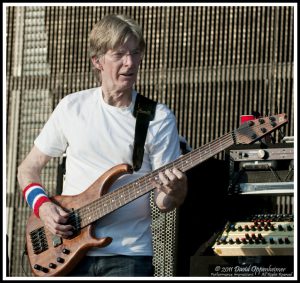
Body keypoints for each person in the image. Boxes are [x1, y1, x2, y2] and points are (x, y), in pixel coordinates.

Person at [17, 14, 188, 277]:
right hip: (64, 250)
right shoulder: (72, 107)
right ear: (97, 61)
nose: (130, 62)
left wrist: (175, 191)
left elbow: (163, 202)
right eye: (119, 54)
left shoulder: (157, 117)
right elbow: (27, 169)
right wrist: (43, 206)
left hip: (128, 255)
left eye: (135, 52)